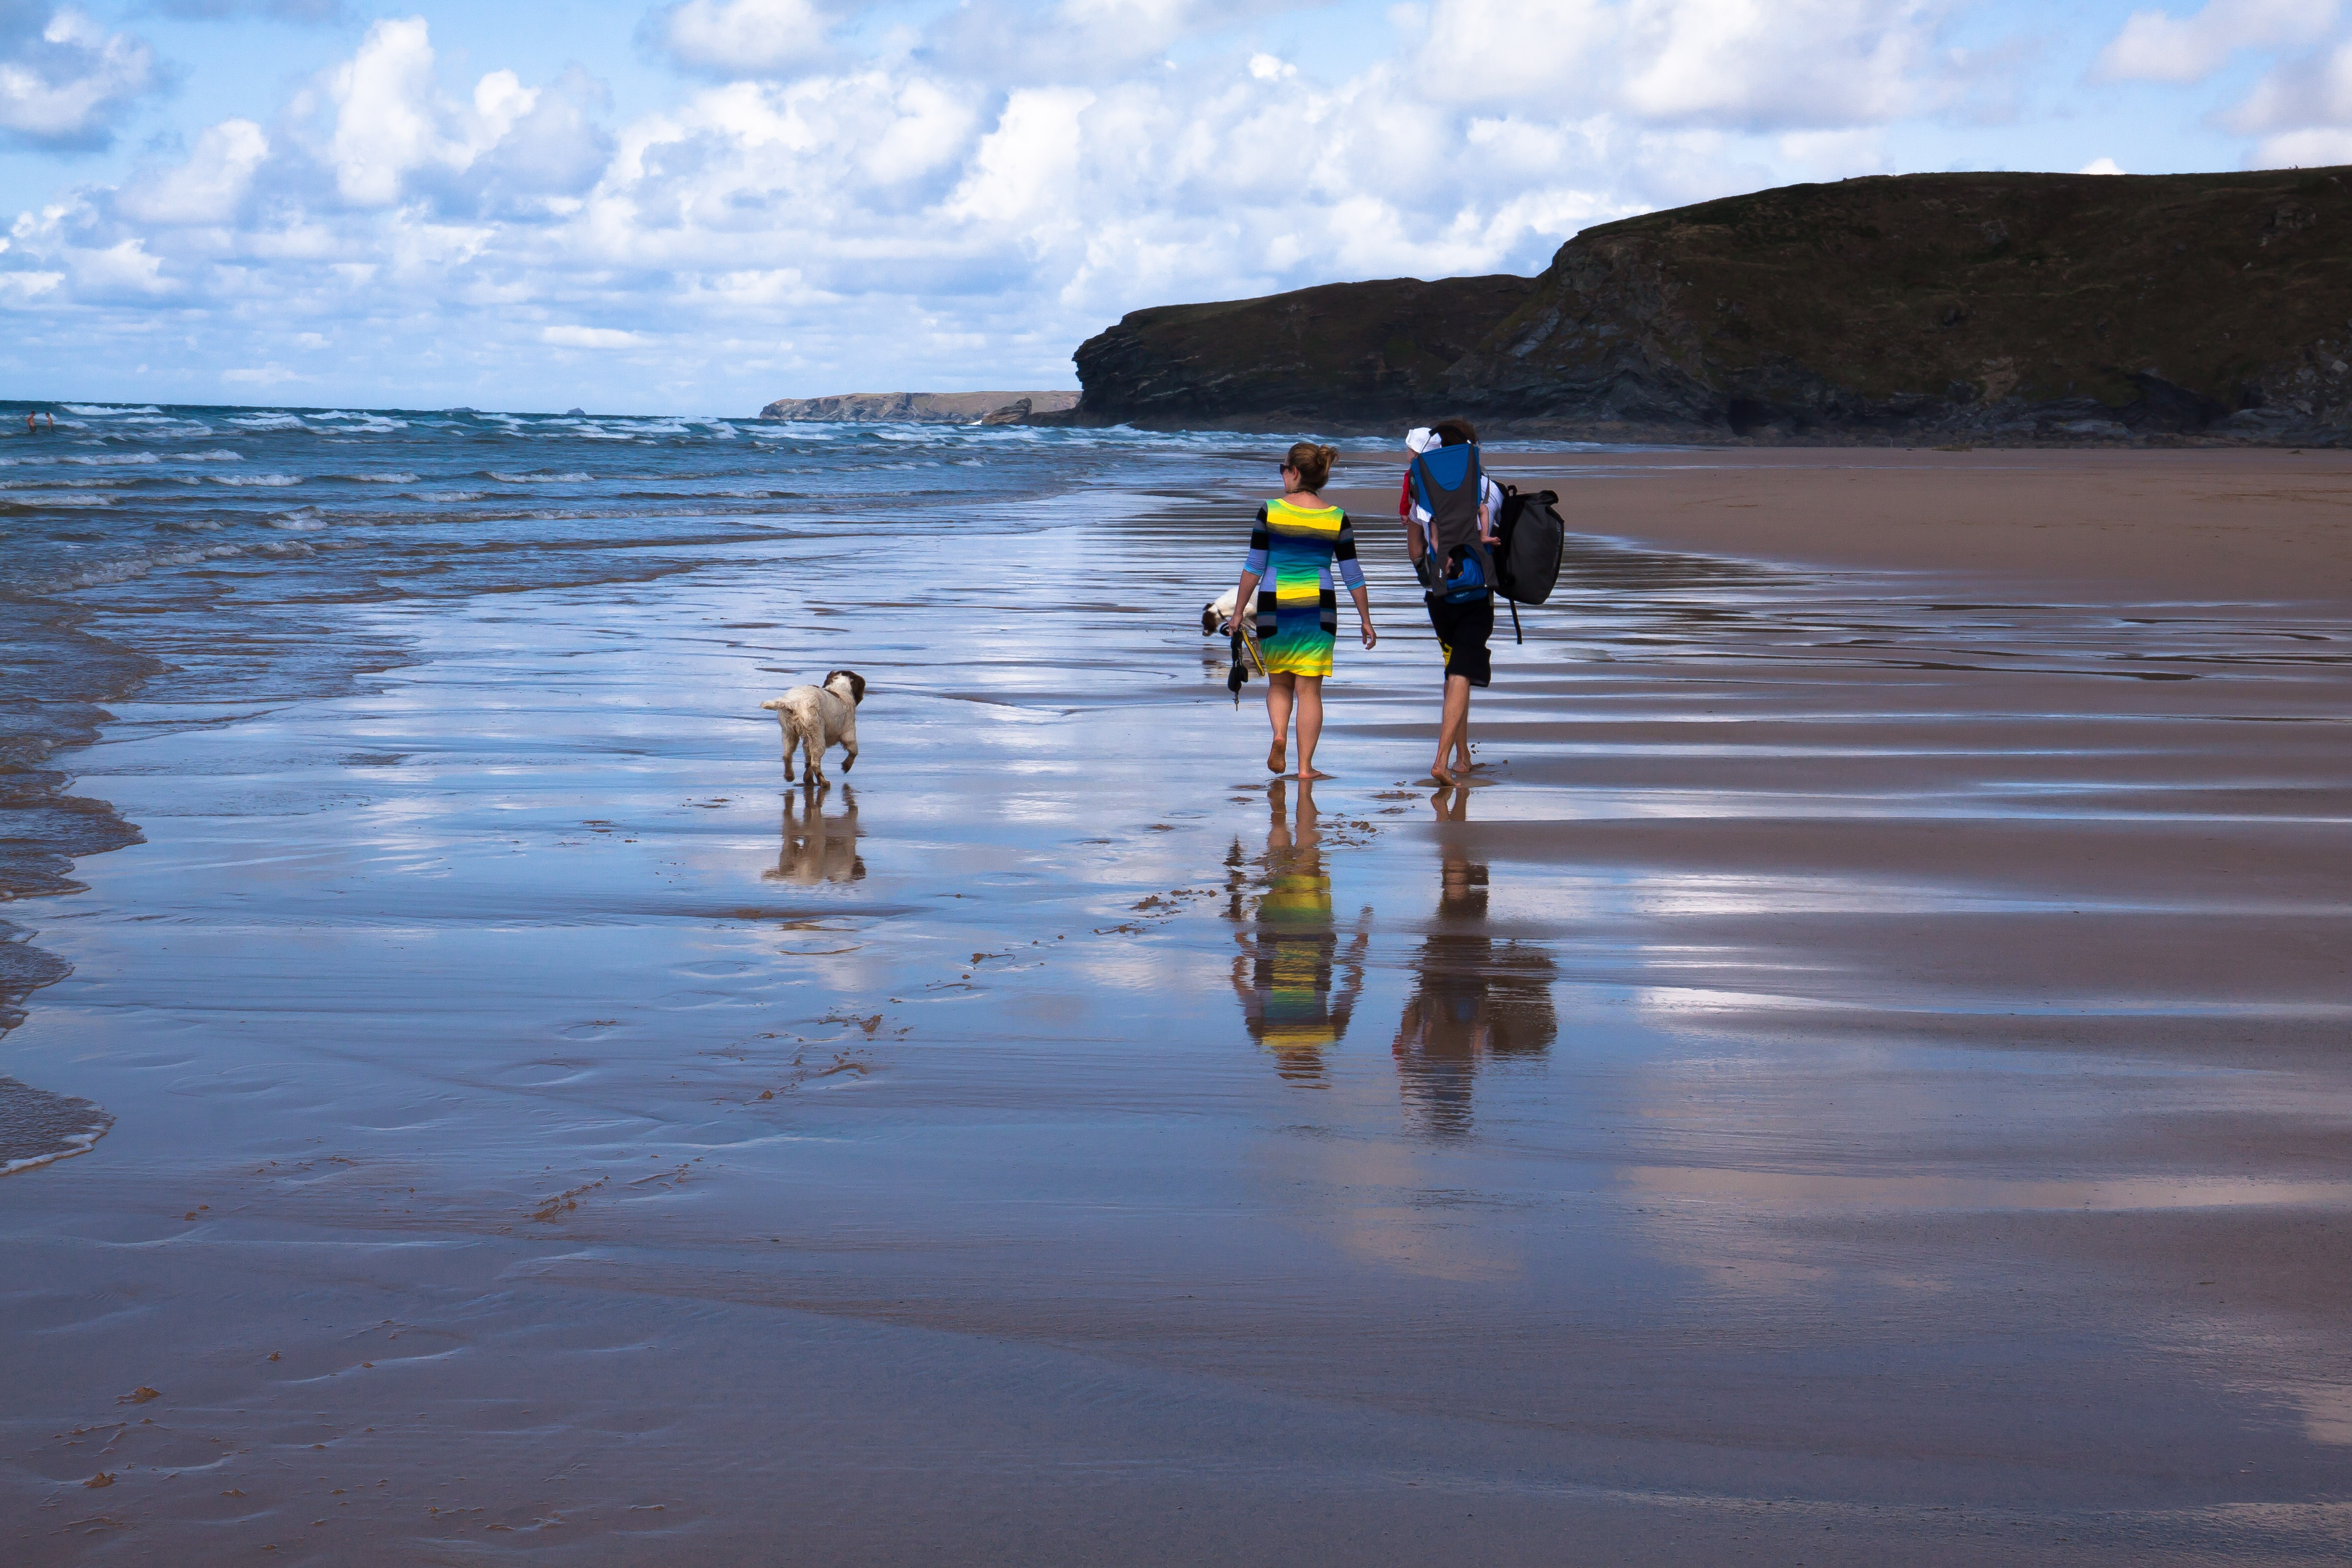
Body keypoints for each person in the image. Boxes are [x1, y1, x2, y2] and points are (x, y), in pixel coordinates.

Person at [1232, 441, 1375, 780]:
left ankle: (1279, 735)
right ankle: (1305, 767)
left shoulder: (1270, 510)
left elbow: (1254, 566)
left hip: (1275, 605)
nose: (1282, 475)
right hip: (1319, 607)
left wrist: (1238, 612)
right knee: (1309, 690)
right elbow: (1352, 574)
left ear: (1295, 472)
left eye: (1283, 468)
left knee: (1279, 685)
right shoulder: (1337, 517)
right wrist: (1366, 620)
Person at [1402, 418, 1497, 784]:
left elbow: (1415, 545)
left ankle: (1462, 756)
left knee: (1455, 669)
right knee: (1462, 670)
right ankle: (1442, 759)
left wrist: (1429, 579)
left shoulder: (1422, 487)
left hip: (1439, 595)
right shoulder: (1486, 488)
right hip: (1475, 593)